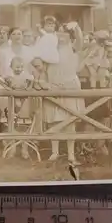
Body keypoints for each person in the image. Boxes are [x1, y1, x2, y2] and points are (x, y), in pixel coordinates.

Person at [39, 19, 85, 166]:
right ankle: (55, 152)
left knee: (71, 120)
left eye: (65, 33)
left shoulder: (73, 47)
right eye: (59, 33)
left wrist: (76, 27)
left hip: (70, 85)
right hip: (54, 85)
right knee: (55, 119)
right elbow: (42, 68)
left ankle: (71, 154)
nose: (61, 36)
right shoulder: (49, 49)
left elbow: (80, 40)